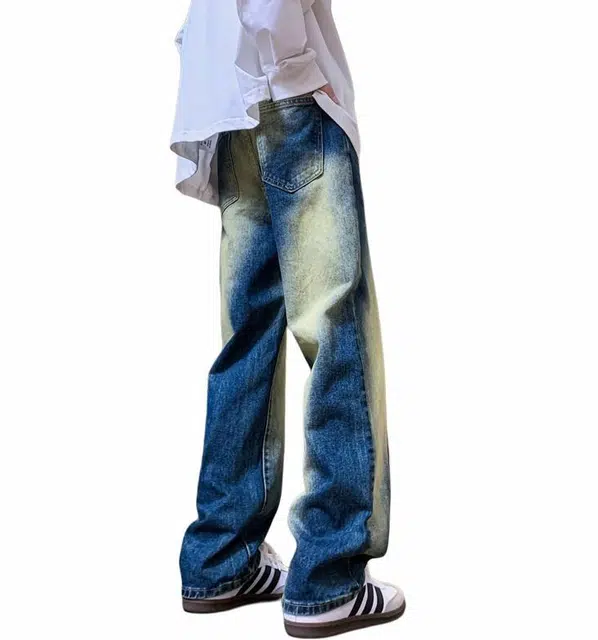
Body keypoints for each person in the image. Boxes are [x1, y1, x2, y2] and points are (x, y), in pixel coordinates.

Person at [170, 1, 405, 636]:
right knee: (336, 335)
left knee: (248, 337)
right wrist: (299, 67)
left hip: (231, 107)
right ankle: (330, 576)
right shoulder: (289, 68)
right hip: (287, 93)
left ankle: (223, 559)